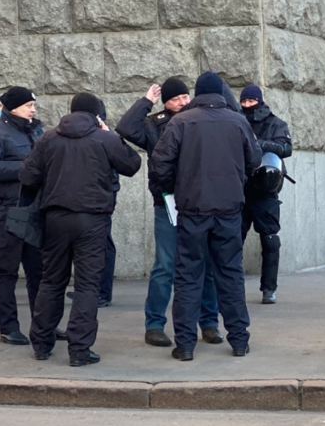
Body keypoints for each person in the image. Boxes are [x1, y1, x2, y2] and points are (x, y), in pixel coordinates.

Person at [23, 92, 141, 366]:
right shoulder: (104, 138)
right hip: (92, 219)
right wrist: (111, 133)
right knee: (87, 285)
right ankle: (79, 350)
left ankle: (41, 344)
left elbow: (28, 175)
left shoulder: (49, 138)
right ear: (97, 114)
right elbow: (132, 165)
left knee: (51, 281)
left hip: (55, 219)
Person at [150, 72, 261, 361]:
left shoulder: (181, 122)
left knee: (188, 276)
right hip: (228, 210)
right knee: (230, 274)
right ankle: (239, 340)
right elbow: (255, 160)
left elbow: (160, 164)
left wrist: (176, 186)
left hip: (192, 210)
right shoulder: (238, 121)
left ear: (198, 94)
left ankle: (185, 345)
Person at [117, 77, 215, 347]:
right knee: (165, 265)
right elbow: (125, 128)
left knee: (204, 262)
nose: (182, 102)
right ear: (166, 103)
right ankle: (155, 324)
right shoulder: (153, 124)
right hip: (167, 203)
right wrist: (146, 101)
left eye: (185, 97)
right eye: (175, 99)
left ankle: (208, 322)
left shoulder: (201, 119)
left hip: (199, 201)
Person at [0, 86, 44, 344]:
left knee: (39, 270)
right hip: (6, 209)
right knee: (6, 270)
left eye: (33, 105)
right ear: (13, 107)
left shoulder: (36, 131)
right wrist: (27, 168)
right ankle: (8, 327)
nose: (33, 109)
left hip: (33, 208)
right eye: (29, 105)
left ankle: (43, 324)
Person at [239, 84, 293, 304]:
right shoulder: (237, 121)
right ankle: (232, 286)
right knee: (232, 240)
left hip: (266, 188)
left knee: (270, 240)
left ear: (259, 101)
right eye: (244, 102)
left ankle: (269, 288)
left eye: (251, 102)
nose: (247, 106)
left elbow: (286, 148)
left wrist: (262, 145)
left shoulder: (275, 123)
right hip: (241, 188)